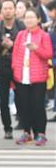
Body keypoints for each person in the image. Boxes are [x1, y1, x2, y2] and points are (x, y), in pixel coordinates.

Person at [12, 9, 52, 146]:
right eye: (26, 18)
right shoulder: (20, 35)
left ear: (38, 19)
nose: (28, 20)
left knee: (37, 105)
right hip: (22, 75)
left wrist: (36, 49)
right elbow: (16, 54)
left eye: (31, 17)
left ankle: (41, 133)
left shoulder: (43, 35)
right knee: (24, 105)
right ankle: (26, 132)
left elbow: (48, 54)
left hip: (38, 76)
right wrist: (15, 71)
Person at [0, 0, 25, 139]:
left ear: (15, 10)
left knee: (22, 96)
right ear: (1, 11)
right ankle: (7, 128)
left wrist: (13, 45)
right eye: (5, 8)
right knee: (3, 99)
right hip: (3, 66)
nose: (8, 11)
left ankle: (24, 123)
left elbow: (26, 46)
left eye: (10, 8)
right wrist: (2, 45)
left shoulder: (21, 26)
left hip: (19, 65)